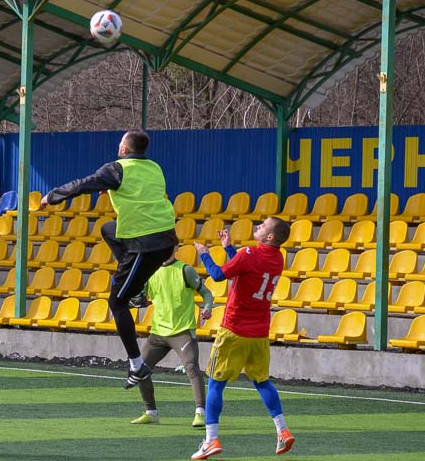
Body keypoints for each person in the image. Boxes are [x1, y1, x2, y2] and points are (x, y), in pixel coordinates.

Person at [40, 129, 178, 389]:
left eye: (120, 145)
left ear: (124, 149)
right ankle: (136, 291)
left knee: (116, 302)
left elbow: (84, 184)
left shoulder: (117, 168)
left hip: (145, 242)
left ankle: (136, 365)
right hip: (164, 237)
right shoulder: (154, 168)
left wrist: (52, 196)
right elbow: (140, 193)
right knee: (107, 229)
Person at [190, 218, 294, 459]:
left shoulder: (249, 253)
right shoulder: (277, 258)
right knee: (262, 381)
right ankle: (282, 430)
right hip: (259, 333)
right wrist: (228, 248)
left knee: (216, 383)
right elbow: (245, 268)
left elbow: (217, 275)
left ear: (270, 237)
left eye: (264, 225)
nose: (259, 225)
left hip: (234, 329)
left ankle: (210, 440)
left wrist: (204, 254)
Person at [129, 246, 215, 428]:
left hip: (182, 331)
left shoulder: (185, 270)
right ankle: (150, 412)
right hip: (158, 332)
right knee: (140, 370)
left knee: (192, 367)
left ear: (176, 248)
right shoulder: (150, 272)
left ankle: (201, 412)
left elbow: (207, 293)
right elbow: (141, 298)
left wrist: (207, 308)